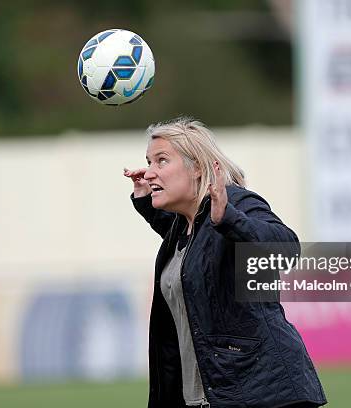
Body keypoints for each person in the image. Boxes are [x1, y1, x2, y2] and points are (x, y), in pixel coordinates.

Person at [124, 117, 327, 408]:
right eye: (149, 161)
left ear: (196, 167)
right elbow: (198, 252)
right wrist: (146, 200)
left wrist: (230, 218)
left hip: (263, 395)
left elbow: (286, 249)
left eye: (161, 161)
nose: (150, 172)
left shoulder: (236, 204)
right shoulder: (183, 228)